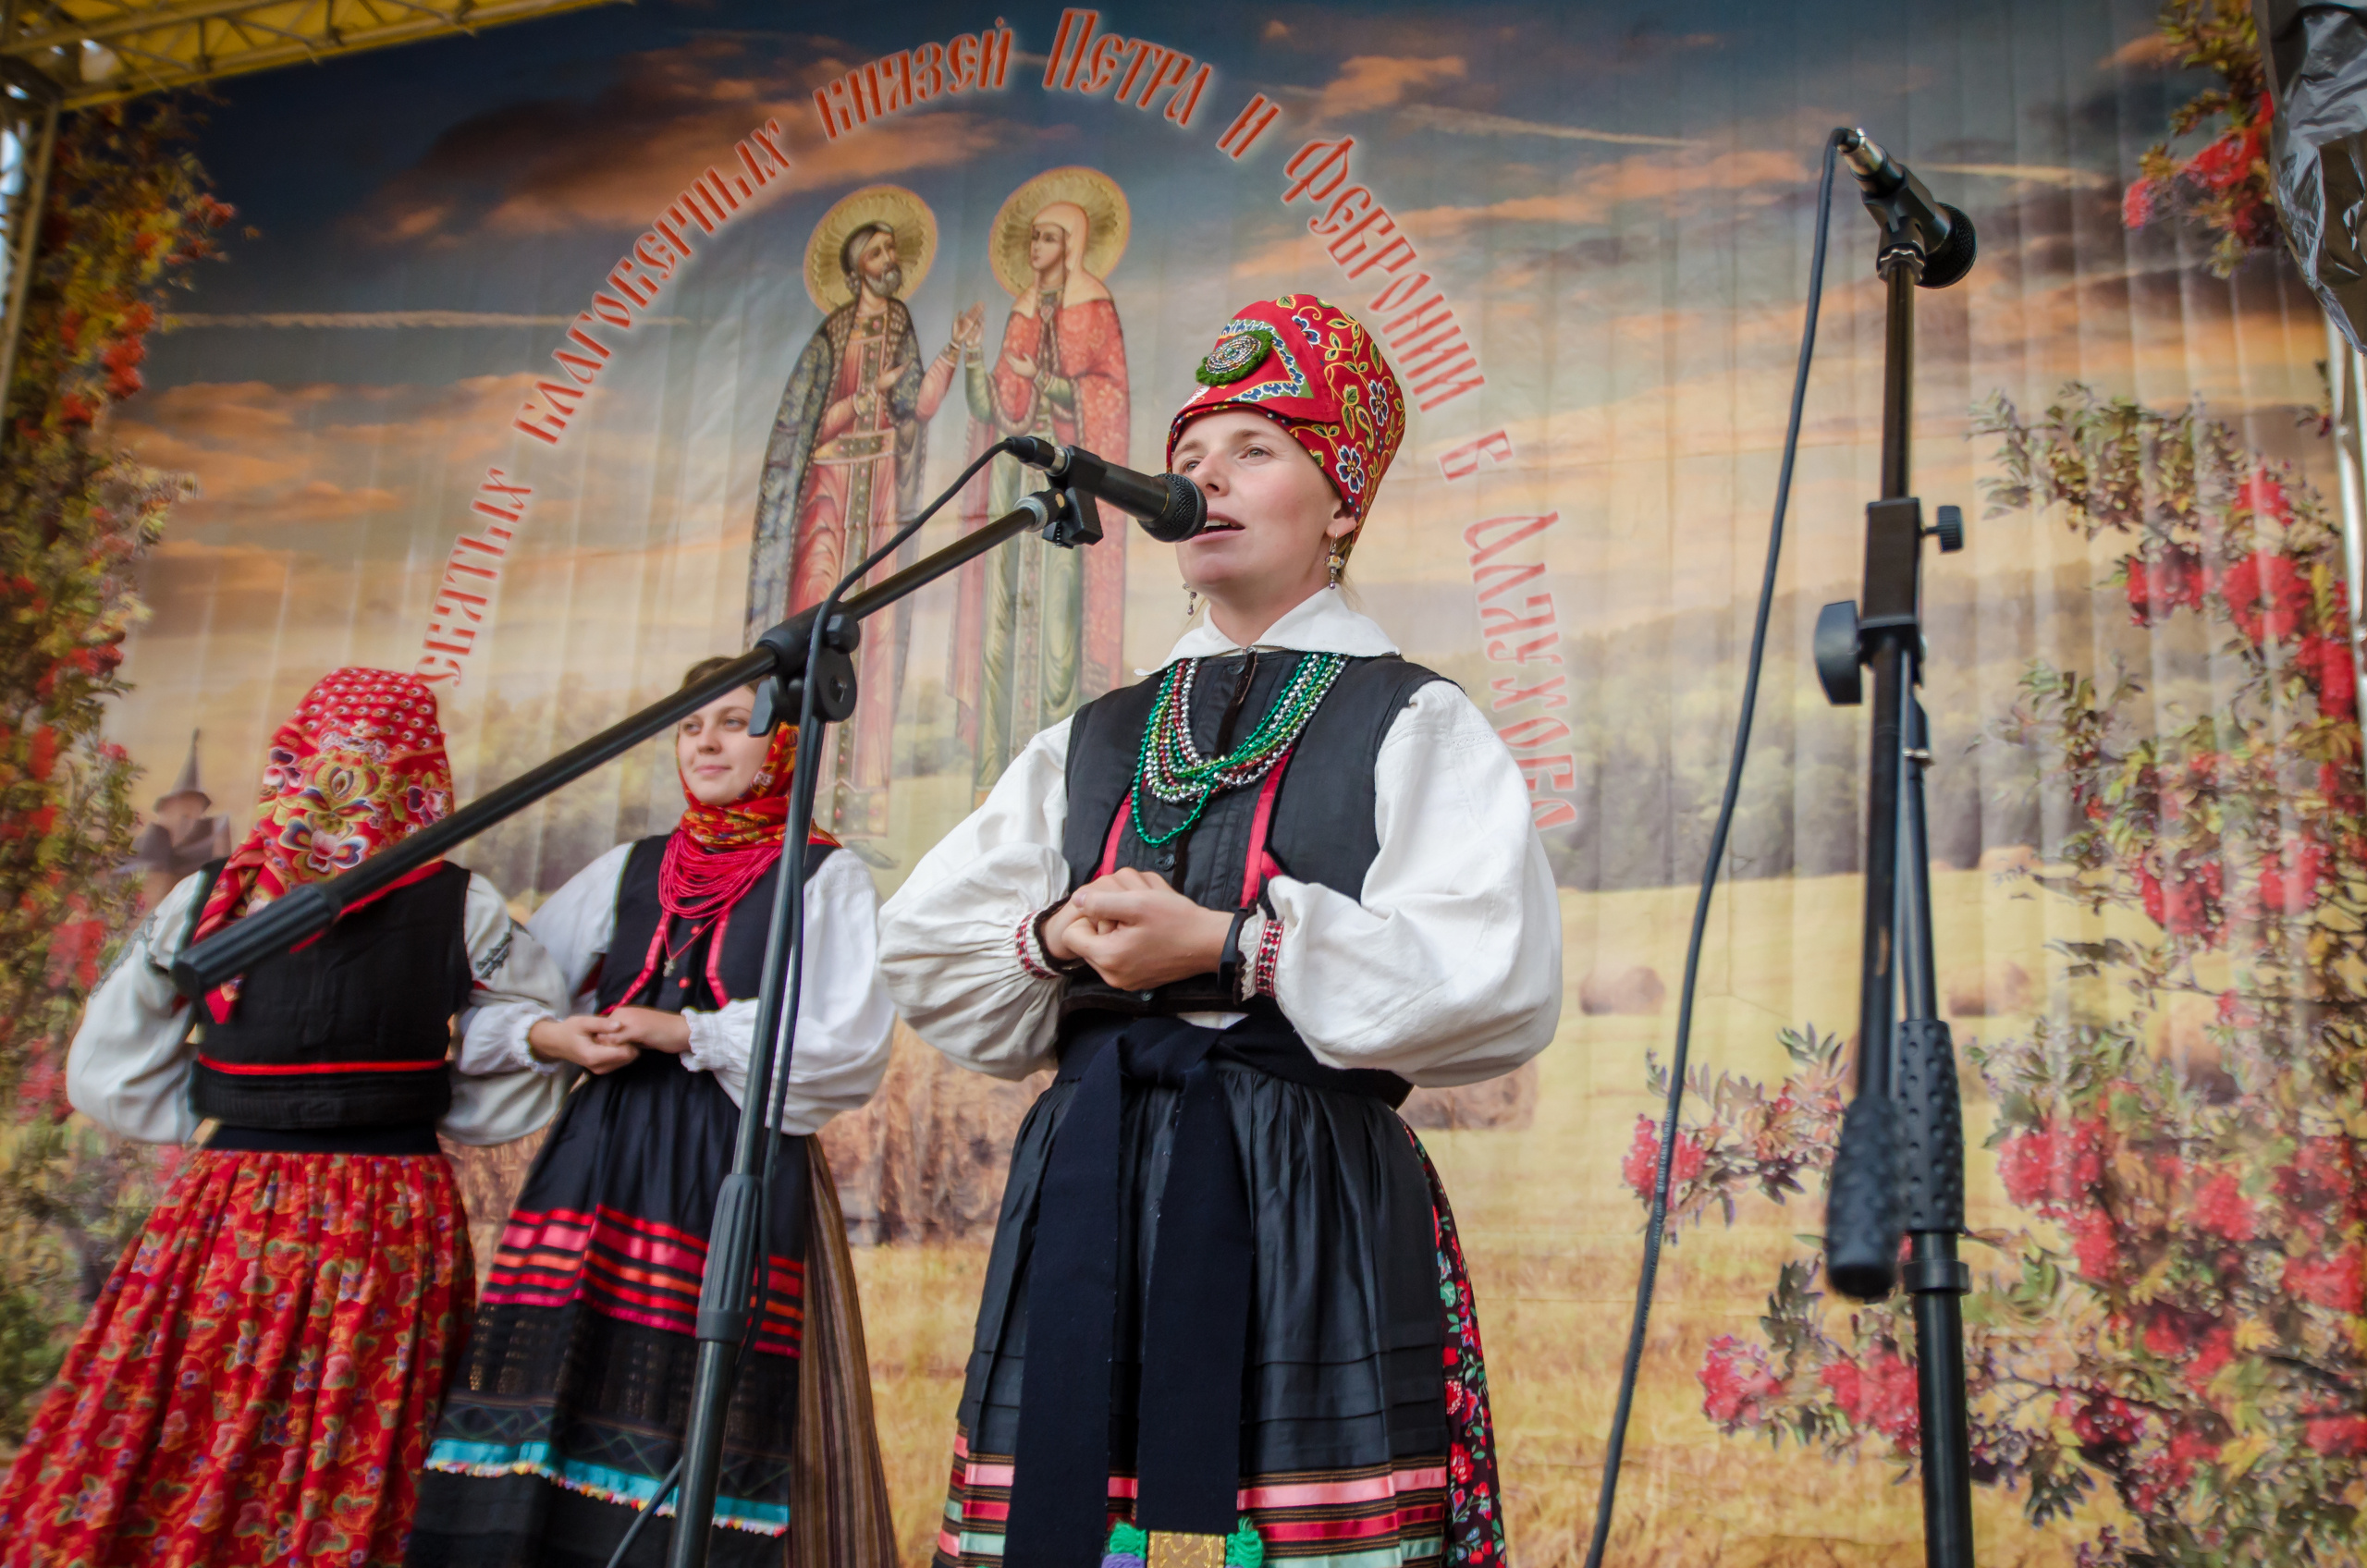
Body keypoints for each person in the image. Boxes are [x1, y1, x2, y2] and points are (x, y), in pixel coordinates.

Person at [877, 294, 1562, 1567]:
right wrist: (1056, 938)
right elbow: (926, 941)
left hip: (1298, 1181)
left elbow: (1490, 979)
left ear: (1342, 502)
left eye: (1255, 448)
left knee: (1301, 1522)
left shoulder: (1413, 721)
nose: (1204, 479)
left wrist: (1234, 945)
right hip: (1094, 1174)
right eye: (1188, 460)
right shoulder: (1092, 737)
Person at [0, 668, 577, 1568]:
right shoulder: (219, 900)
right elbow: (114, 1055)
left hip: (329, 1202)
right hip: (295, 1200)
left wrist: (224, 1106)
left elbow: (113, 1065)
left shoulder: (444, 903)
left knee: (329, 1415)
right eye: (334, 755)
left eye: (368, 758)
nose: (345, 780)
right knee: (219, 1407)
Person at [410, 658, 899, 1568]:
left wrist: (686, 1030)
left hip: (734, 1164)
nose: (706, 742)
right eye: (688, 726)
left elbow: (843, 1044)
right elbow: (500, 1003)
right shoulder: (630, 868)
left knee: (701, 1395)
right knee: (552, 1384)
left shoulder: (824, 878)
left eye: (730, 721)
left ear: (788, 738)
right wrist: (557, 1037)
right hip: (602, 1157)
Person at [746, 187, 972, 841]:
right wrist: (856, 402)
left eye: (892, 249)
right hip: (828, 491)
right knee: (813, 627)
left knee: (870, 642)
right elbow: (803, 427)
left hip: (878, 498)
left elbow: (917, 408)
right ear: (854, 270)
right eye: (877, 252)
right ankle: (792, 802)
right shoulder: (831, 335)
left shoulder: (900, 321)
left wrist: (953, 350)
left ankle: (860, 807)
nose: (888, 258)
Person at [950, 170, 1133, 799]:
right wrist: (973, 356)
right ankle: (992, 784)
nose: (1037, 249)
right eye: (1031, 238)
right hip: (1013, 492)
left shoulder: (1093, 306)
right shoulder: (1021, 312)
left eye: (1049, 238)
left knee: (1058, 638)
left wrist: (1051, 384)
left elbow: (1106, 396)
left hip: (1067, 498)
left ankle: (1058, 784)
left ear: (1073, 246)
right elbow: (994, 408)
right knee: (999, 628)